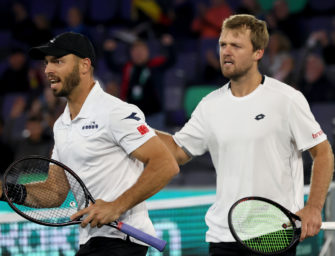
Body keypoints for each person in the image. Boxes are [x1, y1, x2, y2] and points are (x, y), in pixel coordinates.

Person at [155, 14, 334, 256]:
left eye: (236, 46)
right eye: (222, 45)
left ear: (258, 53)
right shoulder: (210, 105)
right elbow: (177, 151)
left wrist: (314, 207)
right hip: (223, 236)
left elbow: (322, 152)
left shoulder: (286, 99)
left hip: (274, 233)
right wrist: (137, 128)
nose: (226, 52)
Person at [0, 32, 179, 256]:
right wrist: (6, 190)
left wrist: (117, 206)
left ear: (84, 66)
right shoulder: (62, 125)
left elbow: (165, 164)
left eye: (58, 61)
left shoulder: (115, 112)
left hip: (123, 242)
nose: (48, 70)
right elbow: (54, 192)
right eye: (46, 63)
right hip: (91, 242)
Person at [103, 34, 176, 130]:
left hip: (154, 116)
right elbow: (112, 66)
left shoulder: (155, 65)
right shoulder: (127, 68)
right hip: (132, 118)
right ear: (131, 53)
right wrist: (108, 52)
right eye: (135, 51)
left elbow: (171, 61)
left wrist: (170, 46)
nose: (138, 53)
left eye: (141, 50)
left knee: (154, 144)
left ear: (147, 52)